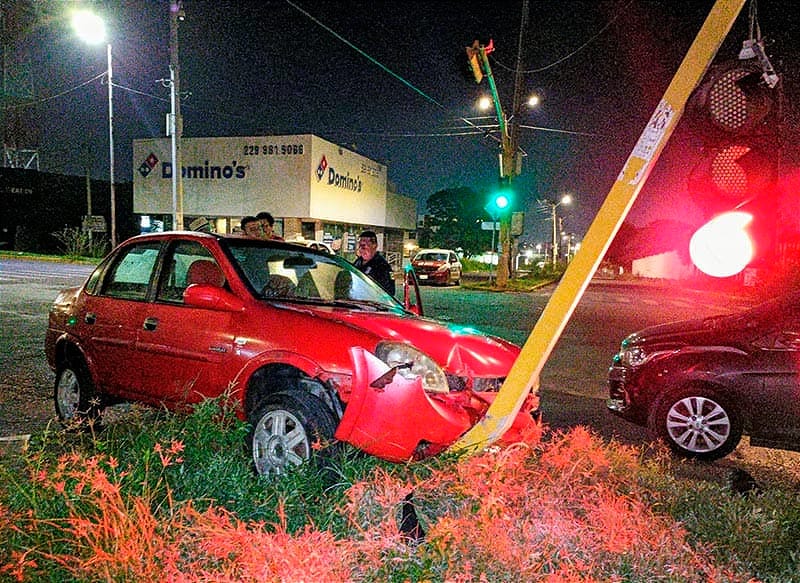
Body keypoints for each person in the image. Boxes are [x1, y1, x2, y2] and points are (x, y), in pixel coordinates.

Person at [353, 230, 395, 295]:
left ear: (374, 245)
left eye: (364, 246)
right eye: (360, 246)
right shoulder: (358, 262)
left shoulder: (382, 266)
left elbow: (389, 292)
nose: (361, 249)